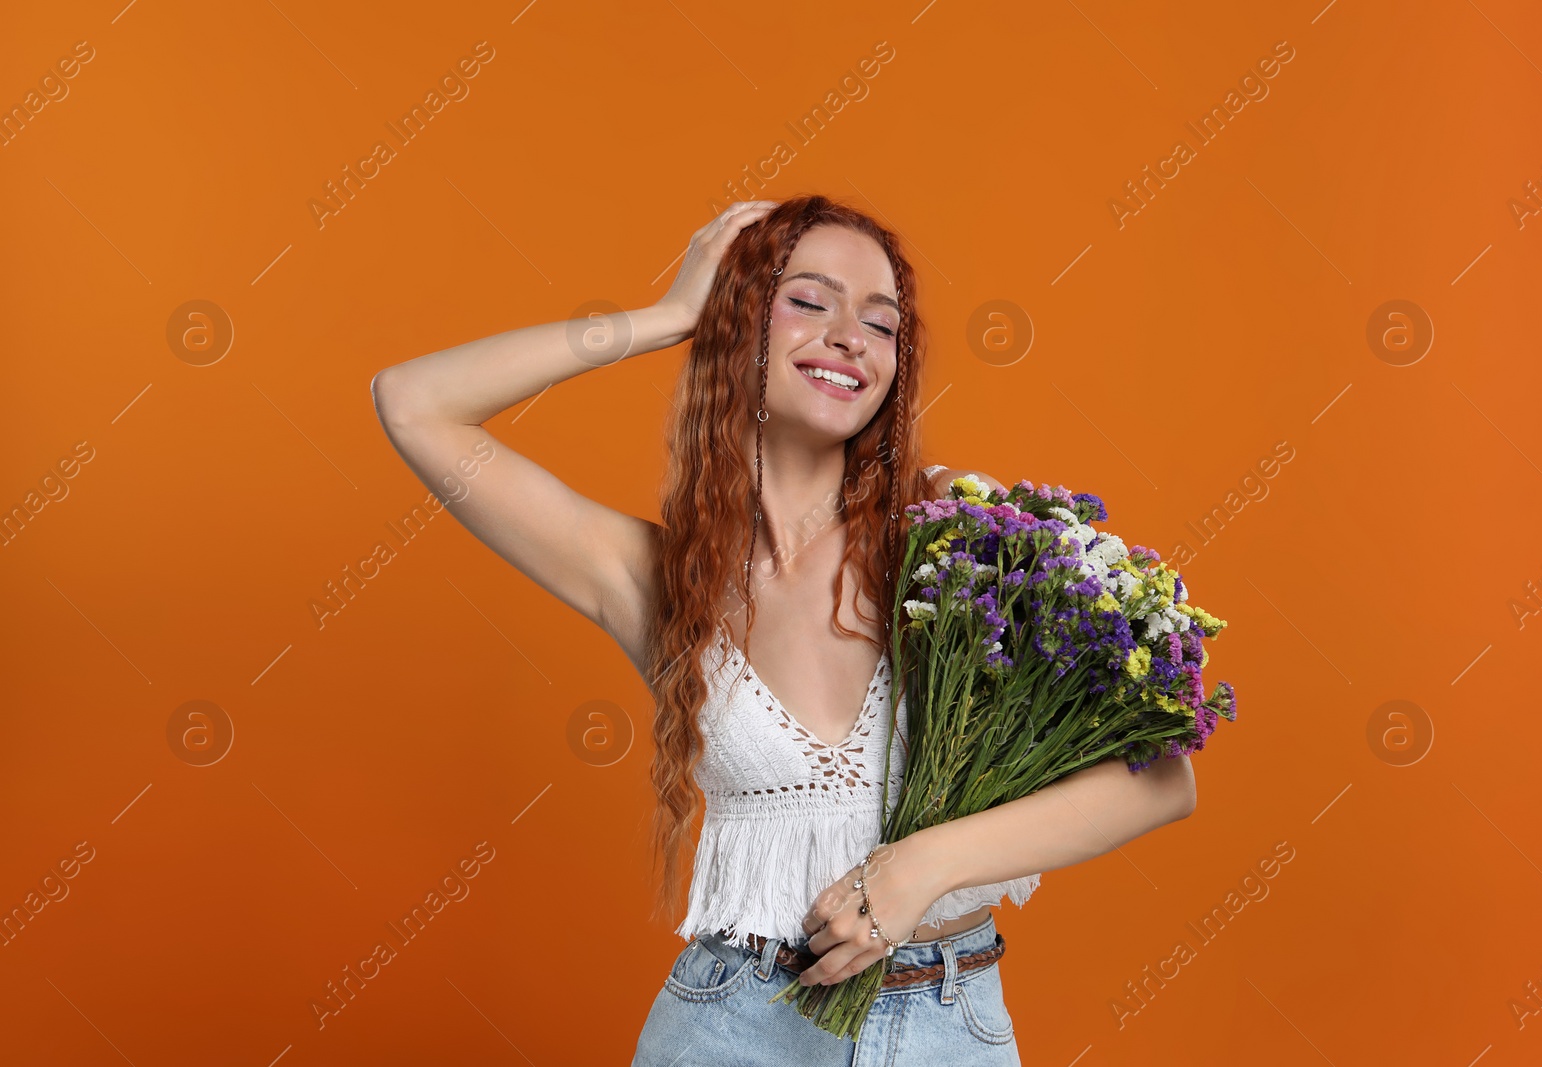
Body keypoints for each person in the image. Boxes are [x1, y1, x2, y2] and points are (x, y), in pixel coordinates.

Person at [370, 195, 1197, 1063]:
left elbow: (1160, 779)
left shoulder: (955, 543)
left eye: (882, 324)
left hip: (947, 1021)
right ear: (736, 327)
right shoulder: (658, 582)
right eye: (809, 301)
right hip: (733, 1023)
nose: (850, 336)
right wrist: (664, 318)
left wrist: (918, 866)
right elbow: (413, 402)